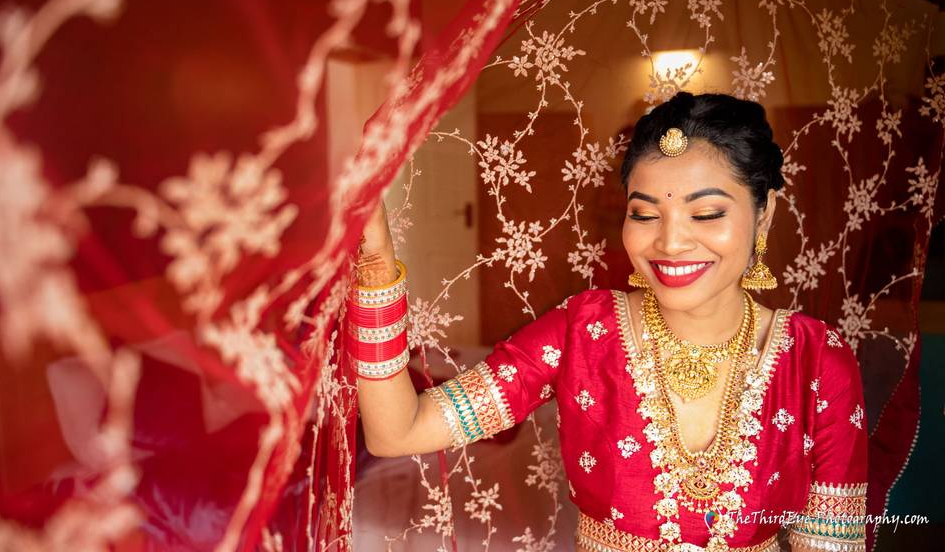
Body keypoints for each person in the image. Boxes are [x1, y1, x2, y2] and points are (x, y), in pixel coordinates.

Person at [348, 92, 868, 552]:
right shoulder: (582, 333)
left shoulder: (817, 361)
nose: (671, 242)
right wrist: (376, 263)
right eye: (645, 214)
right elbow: (398, 431)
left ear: (765, 213)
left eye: (706, 214)